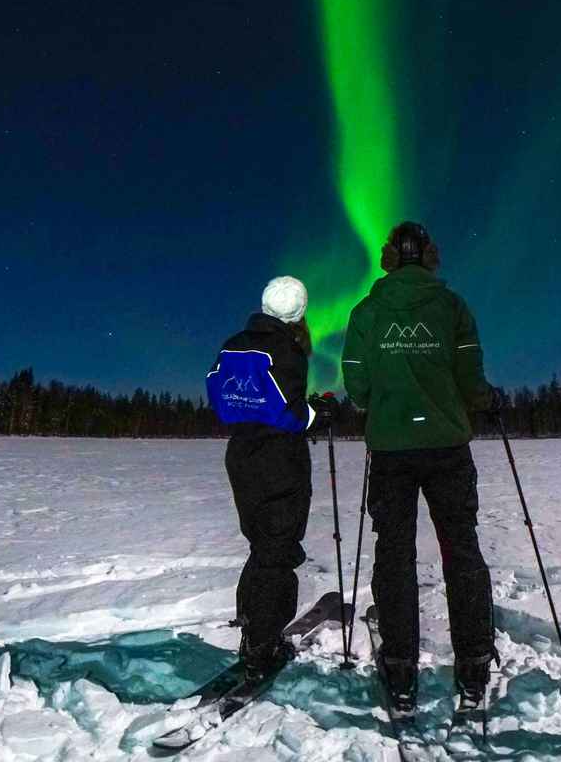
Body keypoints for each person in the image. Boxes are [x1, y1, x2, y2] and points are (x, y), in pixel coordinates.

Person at [341, 222, 496, 712]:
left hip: (391, 449)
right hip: (447, 446)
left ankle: (401, 667)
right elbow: (470, 375)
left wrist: (378, 401)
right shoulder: (452, 308)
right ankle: (473, 665)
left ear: (389, 257)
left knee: (394, 555)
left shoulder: (367, 312)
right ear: (429, 255)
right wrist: (480, 401)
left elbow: (356, 380)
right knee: (462, 550)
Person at [205, 275, 336, 676]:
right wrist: (319, 413)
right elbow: (288, 415)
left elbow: (218, 395)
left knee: (260, 544)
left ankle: (251, 629)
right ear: (299, 313)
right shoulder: (288, 349)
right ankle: (264, 645)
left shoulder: (233, 343)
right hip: (278, 460)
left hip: (241, 456)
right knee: (277, 549)